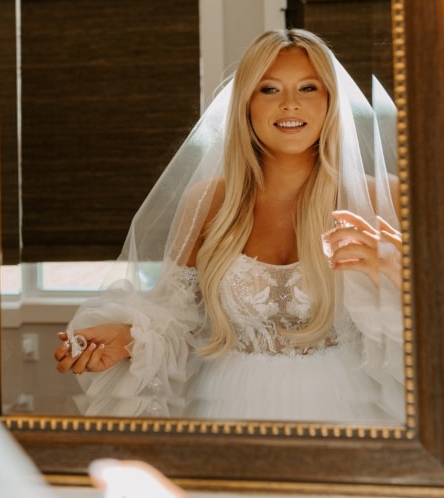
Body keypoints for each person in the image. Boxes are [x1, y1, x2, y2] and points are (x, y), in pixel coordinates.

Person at [53, 29, 405, 423]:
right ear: (246, 104)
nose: (290, 104)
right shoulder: (208, 201)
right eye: (269, 90)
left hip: (346, 408)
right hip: (226, 406)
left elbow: (443, 327)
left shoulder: (379, 201)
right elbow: (177, 313)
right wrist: (130, 339)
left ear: (330, 102)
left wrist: (394, 270)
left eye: (308, 88)